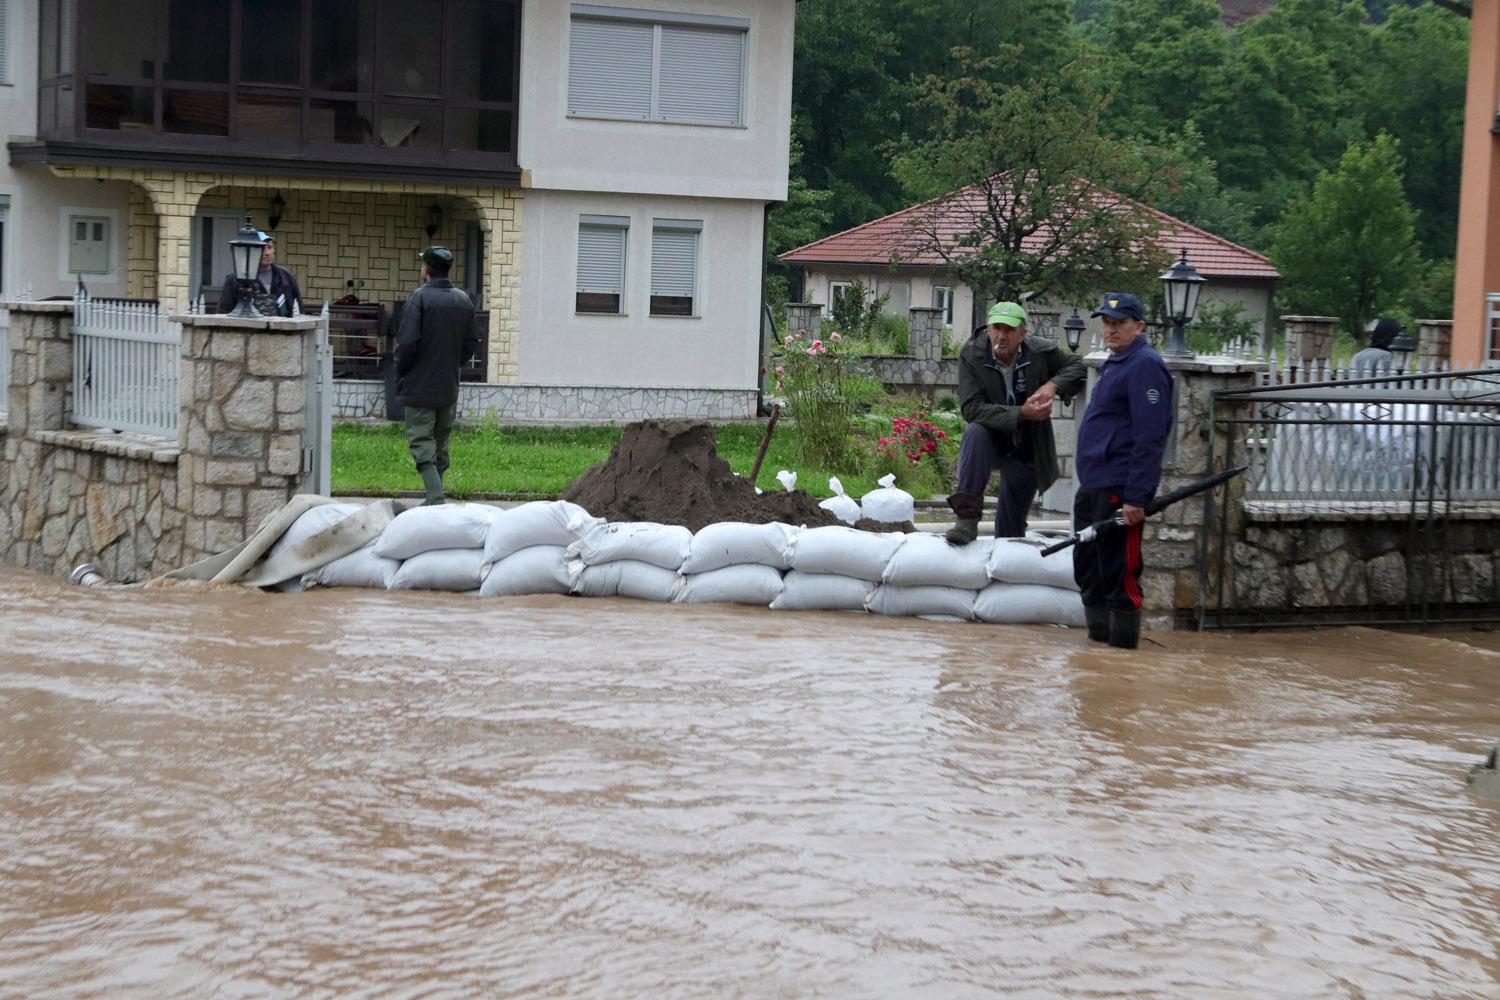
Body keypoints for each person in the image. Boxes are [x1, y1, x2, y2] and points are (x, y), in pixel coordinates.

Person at [1072, 292, 1174, 650]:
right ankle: (1098, 652)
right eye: (1107, 323)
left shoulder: (1145, 365)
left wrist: (1136, 497)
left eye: (1120, 323)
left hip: (1119, 486)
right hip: (1094, 483)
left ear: (1139, 326)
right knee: (1088, 565)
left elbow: (1150, 436)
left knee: (1119, 570)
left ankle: (1122, 653)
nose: (1111, 330)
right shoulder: (1115, 362)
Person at [946, 301, 1087, 544]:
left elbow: (1078, 364)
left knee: (1011, 529)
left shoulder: (1040, 352)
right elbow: (971, 408)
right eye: (996, 328)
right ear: (988, 329)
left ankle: (1009, 554)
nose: (1001, 336)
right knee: (974, 432)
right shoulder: (972, 354)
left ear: (1023, 334)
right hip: (990, 437)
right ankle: (967, 519)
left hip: (1028, 442)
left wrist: (1052, 385)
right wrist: (1021, 413)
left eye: (1009, 330)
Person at [395, 246, 478, 505]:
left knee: (421, 442)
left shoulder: (418, 299)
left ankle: (435, 497)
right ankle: (434, 498)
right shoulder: (463, 300)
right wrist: (455, 363)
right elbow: (471, 341)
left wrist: (402, 369)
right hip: (448, 384)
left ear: (426, 270)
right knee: (441, 444)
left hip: (420, 386)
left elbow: (407, 343)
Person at [218, 231, 303, 317]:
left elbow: (299, 308)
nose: (267, 253)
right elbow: (224, 313)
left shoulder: (286, 277)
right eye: (262, 248)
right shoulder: (235, 279)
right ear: (251, 252)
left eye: (270, 247)